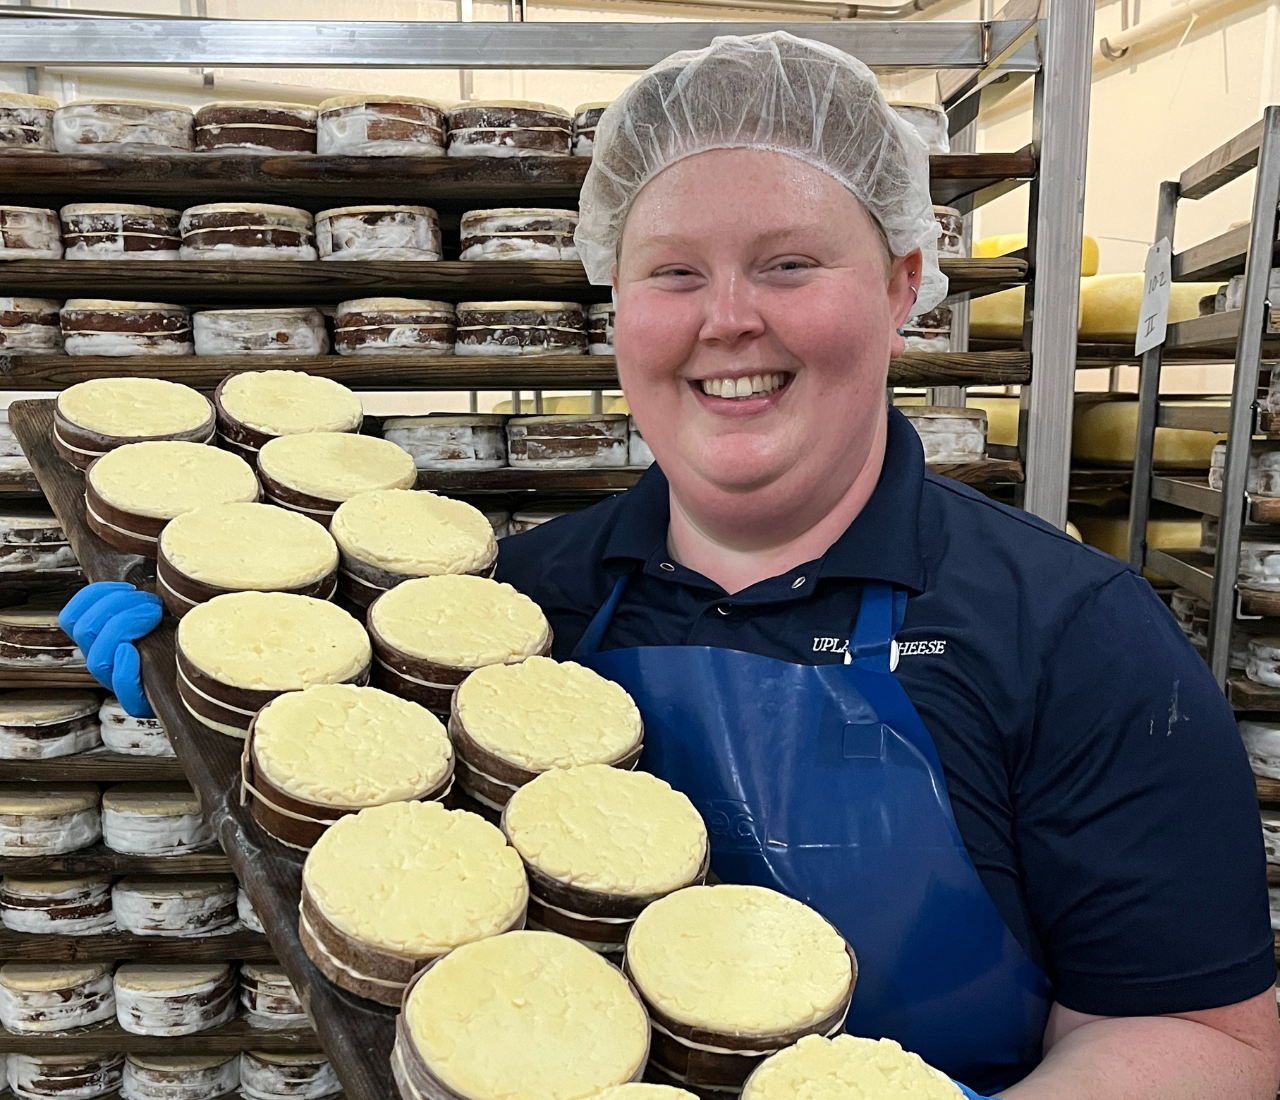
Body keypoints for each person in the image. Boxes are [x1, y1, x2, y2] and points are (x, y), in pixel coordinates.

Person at [70, 31, 1279, 1098]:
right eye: (673, 271)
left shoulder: (1073, 634)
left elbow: (1205, 1037)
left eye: (788, 262)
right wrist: (228, 699)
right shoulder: (503, 605)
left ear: (902, 286)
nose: (725, 317)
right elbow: (403, 887)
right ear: (615, 302)